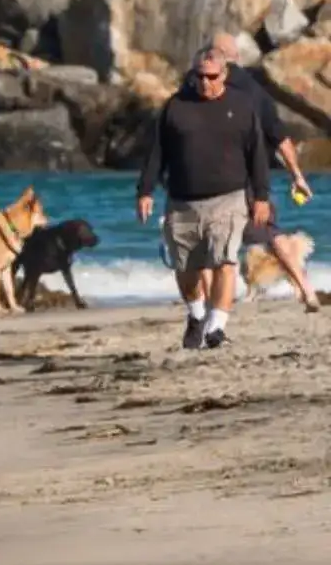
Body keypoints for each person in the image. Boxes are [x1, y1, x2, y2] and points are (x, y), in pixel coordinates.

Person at [136, 48, 273, 349]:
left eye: (211, 77)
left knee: (225, 260)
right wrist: (145, 191)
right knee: (186, 269)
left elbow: (257, 154)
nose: (205, 82)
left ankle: (217, 328)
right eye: (199, 76)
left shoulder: (241, 105)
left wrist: (261, 196)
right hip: (182, 200)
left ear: (223, 74)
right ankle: (197, 316)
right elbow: (156, 154)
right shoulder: (175, 106)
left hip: (230, 197)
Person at [209, 32, 318, 311]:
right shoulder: (258, 92)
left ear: (219, 56)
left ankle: (214, 299)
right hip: (255, 176)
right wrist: (297, 175)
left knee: (212, 235)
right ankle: (306, 289)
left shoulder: (210, 86)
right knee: (272, 234)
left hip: (223, 175)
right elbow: (281, 138)